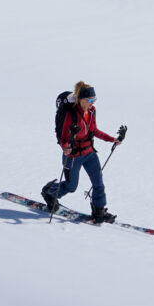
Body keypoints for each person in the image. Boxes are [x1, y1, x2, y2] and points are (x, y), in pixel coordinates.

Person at [42, 81, 122, 223]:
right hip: (73, 156)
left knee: (98, 183)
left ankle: (99, 211)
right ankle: (50, 192)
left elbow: (94, 130)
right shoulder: (71, 114)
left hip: (89, 153)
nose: (93, 102)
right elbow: (63, 138)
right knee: (71, 187)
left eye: (94, 99)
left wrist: (112, 139)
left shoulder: (92, 111)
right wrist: (65, 147)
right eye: (90, 100)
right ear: (81, 99)